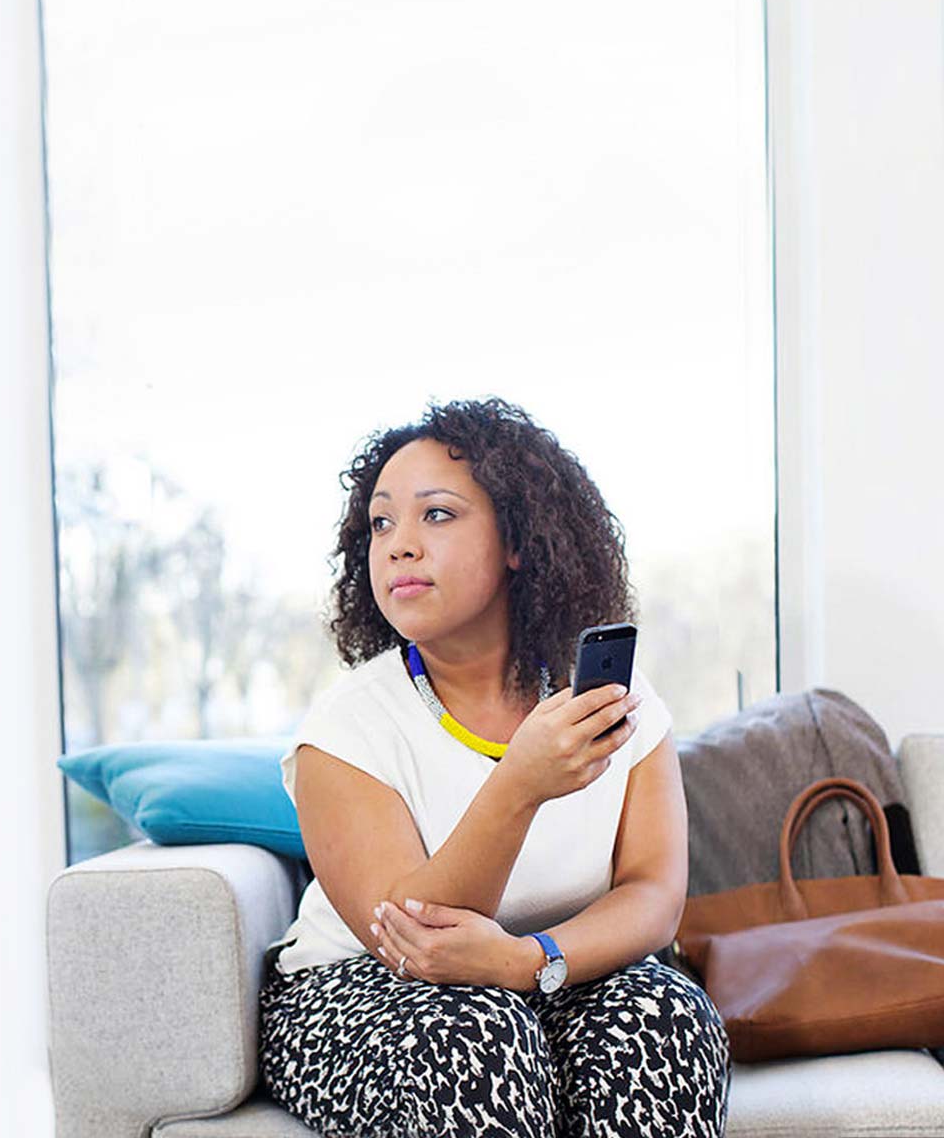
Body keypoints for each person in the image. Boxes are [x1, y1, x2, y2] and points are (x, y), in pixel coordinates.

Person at [258, 396, 731, 1137]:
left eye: (436, 515)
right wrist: (518, 786)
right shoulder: (345, 729)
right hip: (362, 989)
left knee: (664, 1017)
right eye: (382, 523)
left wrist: (526, 962)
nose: (399, 545)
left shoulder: (616, 704)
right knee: (475, 1033)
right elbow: (410, 939)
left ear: (518, 539)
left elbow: (654, 894)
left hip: (543, 973)